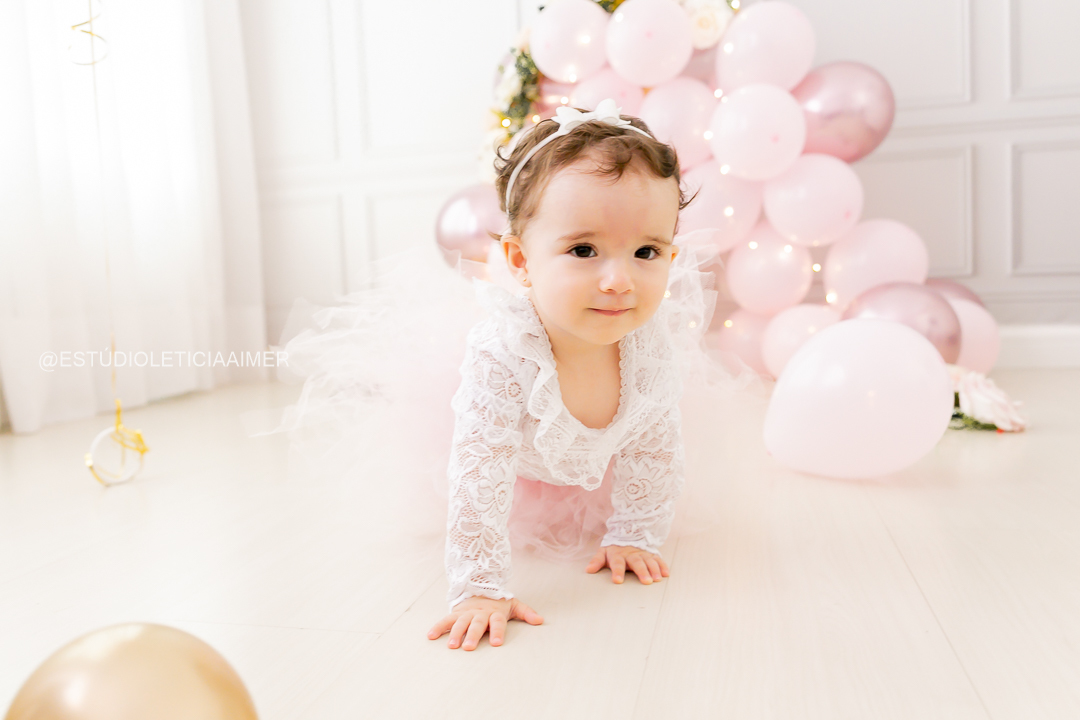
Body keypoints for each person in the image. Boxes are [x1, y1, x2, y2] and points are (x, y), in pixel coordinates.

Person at [246, 100, 762, 655]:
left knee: (652, 440)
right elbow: (481, 472)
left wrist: (635, 531)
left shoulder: (649, 343)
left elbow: (652, 444)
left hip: (593, 450)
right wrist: (479, 588)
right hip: (512, 451)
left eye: (646, 251)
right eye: (583, 250)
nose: (619, 279)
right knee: (484, 474)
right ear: (519, 260)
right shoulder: (503, 354)